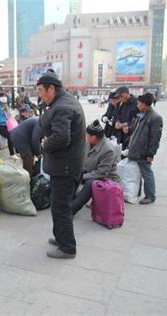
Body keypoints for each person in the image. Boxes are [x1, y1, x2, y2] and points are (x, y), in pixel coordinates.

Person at [38, 69, 86, 259]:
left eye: (41, 90)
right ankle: (60, 237)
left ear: (51, 89)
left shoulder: (62, 107)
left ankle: (67, 247)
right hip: (68, 163)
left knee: (61, 207)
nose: (40, 95)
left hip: (65, 167)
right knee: (59, 205)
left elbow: (60, 137)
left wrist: (45, 143)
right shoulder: (65, 101)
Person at [70, 120, 119, 215]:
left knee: (89, 183)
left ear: (93, 137)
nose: (85, 136)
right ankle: (67, 201)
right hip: (89, 172)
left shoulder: (108, 150)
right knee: (72, 174)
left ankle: (71, 210)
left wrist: (82, 176)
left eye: (87, 135)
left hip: (106, 178)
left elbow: (102, 173)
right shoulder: (89, 143)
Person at [127, 93, 163, 205]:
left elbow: (155, 138)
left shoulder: (155, 118)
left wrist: (151, 154)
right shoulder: (141, 115)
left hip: (144, 151)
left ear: (144, 104)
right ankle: (138, 191)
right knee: (139, 172)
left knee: (147, 172)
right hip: (137, 149)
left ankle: (150, 195)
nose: (137, 105)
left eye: (138, 103)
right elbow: (135, 130)